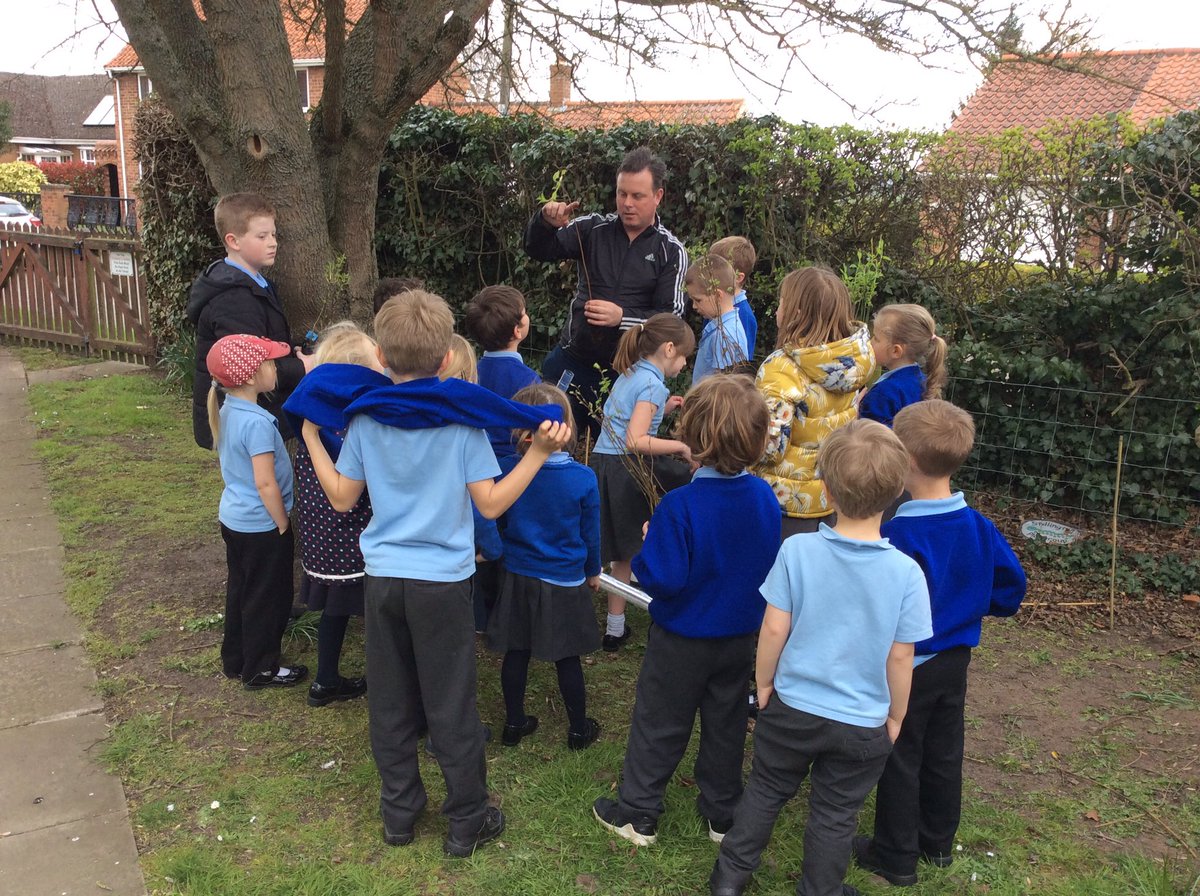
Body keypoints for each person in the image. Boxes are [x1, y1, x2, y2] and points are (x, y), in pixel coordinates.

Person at [298, 290, 571, 857]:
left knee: (391, 700)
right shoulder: (462, 426)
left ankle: (399, 814)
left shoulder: (366, 421)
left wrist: (309, 439)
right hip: (443, 585)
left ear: (381, 358)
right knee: (450, 704)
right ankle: (467, 818)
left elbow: (344, 498)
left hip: (384, 582)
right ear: (448, 358)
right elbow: (491, 505)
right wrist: (538, 456)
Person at [709, 419, 933, 896]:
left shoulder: (798, 551)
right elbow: (902, 656)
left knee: (765, 792)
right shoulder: (907, 574)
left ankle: (728, 880)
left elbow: (773, 627)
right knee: (835, 816)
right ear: (896, 492)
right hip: (861, 722)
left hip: (792, 708)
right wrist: (896, 714)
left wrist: (763, 684)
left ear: (826, 489)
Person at [592, 375, 780, 847]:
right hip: (738, 639)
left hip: (681, 639)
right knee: (726, 726)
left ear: (693, 436)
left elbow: (662, 578)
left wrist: (652, 540)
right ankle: (723, 815)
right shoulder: (764, 497)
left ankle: (637, 813)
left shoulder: (680, 505)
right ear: (758, 439)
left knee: (660, 723)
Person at [852, 400, 1026, 887]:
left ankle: (895, 856)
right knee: (945, 752)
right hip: (955, 661)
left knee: (901, 754)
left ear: (903, 461)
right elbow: (1011, 587)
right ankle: (937, 844)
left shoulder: (899, 534)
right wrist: (971, 605)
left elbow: (878, 603)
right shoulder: (978, 525)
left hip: (911, 663)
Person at [524, 146, 688, 437]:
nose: (627, 203)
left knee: (614, 460)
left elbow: (671, 321)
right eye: (621, 193)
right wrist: (544, 223)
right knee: (539, 440)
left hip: (627, 376)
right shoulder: (592, 228)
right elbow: (538, 249)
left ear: (658, 196)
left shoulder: (671, 251)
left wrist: (622, 318)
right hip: (571, 361)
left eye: (637, 196)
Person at [486, 383, 603, 751]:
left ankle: (514, 722)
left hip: (519, 573)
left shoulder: (506, 469)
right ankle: (578, 727)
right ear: (567, 425)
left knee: (516, 652)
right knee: (567, 657)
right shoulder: (583, 478)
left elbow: (498, 521)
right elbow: (591, 536)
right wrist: (593, 571)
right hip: (565, 579)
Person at [206, 334, 309, 689]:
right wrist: (282, 523)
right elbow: (267, 484)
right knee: (268, 597)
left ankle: (235, 658)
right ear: (250, 377)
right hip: (262, 525)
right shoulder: (259, 424)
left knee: (241, 589)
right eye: (269, 363)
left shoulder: (228, 410)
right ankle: (261, 668)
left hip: (234, 519)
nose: (275, 368)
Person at [291, 323, 385, 708]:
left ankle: (325, 679)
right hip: (351, 536)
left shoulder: (312, 417)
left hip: (320, 534)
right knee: (377, 613)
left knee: (335, 610)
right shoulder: (354, 422)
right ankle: (388, 684)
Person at [590, 313, 695, 651]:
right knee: (630, 548)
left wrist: (662, 409)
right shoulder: (652, 384)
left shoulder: (632, 373)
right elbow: (636, 439)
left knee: (621, 549)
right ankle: (622, 623)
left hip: (606, 463)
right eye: (683, 358)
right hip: (628, 467)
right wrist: (680, 446)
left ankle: (615, 626)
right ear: (668, 349)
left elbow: (626, 421)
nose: (683, 365)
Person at [751, 266, 874, 538]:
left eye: (781, 303)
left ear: (794, 314)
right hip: (827, 497)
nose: (775, 311)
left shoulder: (780, 367)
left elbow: (771, 448)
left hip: (779, 503)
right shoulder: (853, 364)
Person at [188, 192, 313, 449]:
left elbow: (265, 341)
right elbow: (249, 368)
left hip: (256, 414)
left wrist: (293, 352)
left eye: (274, 235)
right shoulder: (233, 298)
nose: (273, 243)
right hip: (241, 423)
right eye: (262, 236)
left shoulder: (254, 282)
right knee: (261, 486)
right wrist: (305, 368)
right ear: (233, 241)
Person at [464, 285, 542, 459]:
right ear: (517, 331)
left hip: (475, 463)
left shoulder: (471, 374)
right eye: (524, 312)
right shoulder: (529, 380)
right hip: (517, 466)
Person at [859, 304, 948, 428]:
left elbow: (869, 440)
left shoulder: (885, 393)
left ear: (896, 351)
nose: (870, 342)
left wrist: (854, 412)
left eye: (876, 338)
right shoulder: (921, 381)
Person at [688, 254, 751, 382]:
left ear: (717, 295)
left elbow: (724, 387)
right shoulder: (724, 327)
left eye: (698, 300)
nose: (694, 306)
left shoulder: (725, 335)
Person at [709, 236, 758, 358]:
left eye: (716, 269)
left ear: (738, 277)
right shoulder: (714, 302)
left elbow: (742, 364)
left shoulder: (744, 316)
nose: (708, 273)